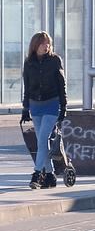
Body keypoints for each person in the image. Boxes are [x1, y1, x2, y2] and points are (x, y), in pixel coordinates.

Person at [20, 31, 67, 189]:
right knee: (42, 142)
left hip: (52, 104)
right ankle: (50, 175)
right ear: (35, 45)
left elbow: (62, 85)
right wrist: (25, 108)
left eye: (48, 43)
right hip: (35, 106)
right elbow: (27, 87)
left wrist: (64, 107)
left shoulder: (55, 60)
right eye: (42, 43)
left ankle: (37, 174)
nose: (46, 46)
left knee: (42, 140)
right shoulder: (29, 63)